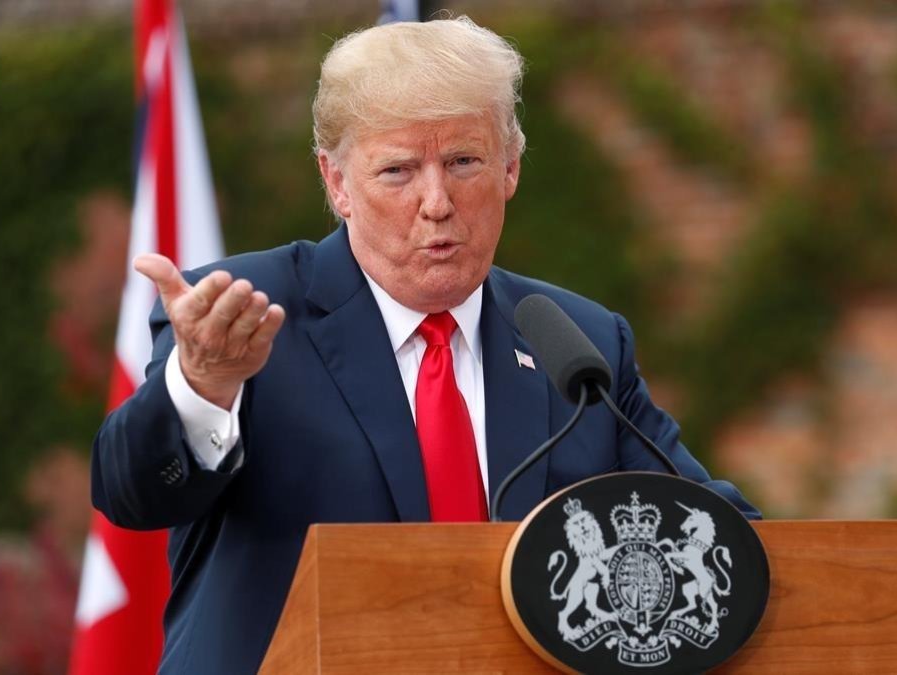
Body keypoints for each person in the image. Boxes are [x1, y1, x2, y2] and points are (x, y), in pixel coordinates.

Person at [92, 16, 758, 674]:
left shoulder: (578, 341)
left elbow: (719, 528)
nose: (437, 202)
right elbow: (133, 496)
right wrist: (204, 386)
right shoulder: (245, 312)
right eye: (398, 171)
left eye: (464, 161)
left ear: (510, 169)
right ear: (337, 183)